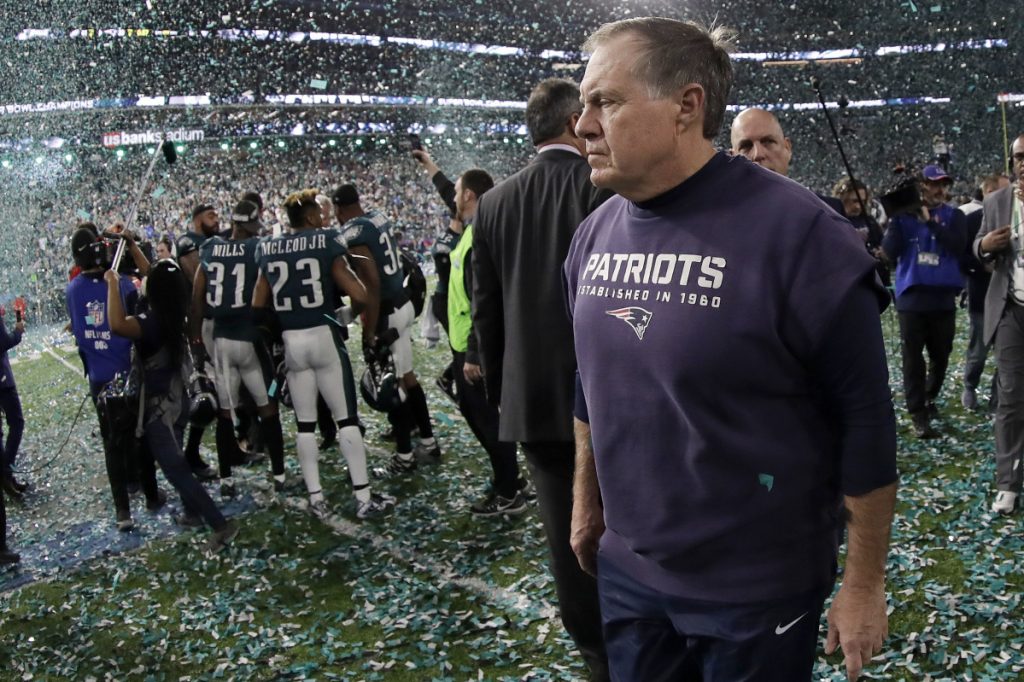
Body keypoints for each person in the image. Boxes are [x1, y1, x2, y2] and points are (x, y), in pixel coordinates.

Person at [566, 17, 897, 682]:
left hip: (756, 584)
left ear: (687, 106)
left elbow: (866, 419)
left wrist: (864, 583)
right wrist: (586, 496)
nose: (582, 124)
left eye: (606, 101)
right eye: (584, 103)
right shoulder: (592, 235)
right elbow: (590, 380)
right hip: (631, 571)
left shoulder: (804, 237)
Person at [471, 77, 613, 681]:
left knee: (568, 539)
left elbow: (486, 309)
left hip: (531, 403)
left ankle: (595, 655)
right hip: (604, 399)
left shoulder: (494, 202)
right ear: (571, 121)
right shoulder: (601, 186)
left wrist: (506, 393)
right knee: (624, 526)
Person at [253, 189, 394, 519]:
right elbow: (358, 292)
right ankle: (363, 498)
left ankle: (316, 499)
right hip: (323, 334)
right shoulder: (324, 241)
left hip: (292, 341)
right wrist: (345, 315)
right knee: (346, 419)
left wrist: (280, 332)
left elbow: (257, 305)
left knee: (304, 425)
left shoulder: (269, 248)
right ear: (311, 217)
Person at [105, 260, 238, 552]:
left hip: (161, 406)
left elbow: (116, 324)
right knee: (176, 456)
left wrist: (113, 283)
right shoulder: (174, 314)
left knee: (175, 469)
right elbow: (163, 275)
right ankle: (192, 514)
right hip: (178, 400)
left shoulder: (151, 322)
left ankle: (220, 525)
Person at [332, 184, 440, 474]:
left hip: (386, 313)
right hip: (402, 303)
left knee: (390, 384)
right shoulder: (377, 218)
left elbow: (371, 283)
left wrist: (367, 329)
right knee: (407, 377)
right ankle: (428, 440)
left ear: (338, 209)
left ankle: (405, 456)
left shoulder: (353, 235)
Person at [67, 225, 165, 530]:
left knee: (112, 444)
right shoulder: (122, 285)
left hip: (98, 376)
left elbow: (79, 332)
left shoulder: (72, 290)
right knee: (143, 435)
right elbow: (140, 320)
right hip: (128, 373)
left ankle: (122, 511)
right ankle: (151, 495)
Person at [446, 169, 529, 516]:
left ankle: (509, 490)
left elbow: (483, 298)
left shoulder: (478, 231)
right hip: (466, 341)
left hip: (471, 344)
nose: (452, 197)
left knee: (485, 418)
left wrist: (473, 352)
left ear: (468, 195)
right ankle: (512, 481)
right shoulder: (478, 227)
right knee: (484, 415)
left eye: (456, 191)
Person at [192, 200, 286, 496]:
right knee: (268, 405)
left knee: (225, 410)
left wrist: (195, 340)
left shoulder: (210, 248)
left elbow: (197, 298)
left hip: (221, 342)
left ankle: (226, 478)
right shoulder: (258, 247)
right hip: (250, 340)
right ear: (246, 224)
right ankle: (280, 474)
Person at [882, 164, 967, 438]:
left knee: (941, 356)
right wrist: (895, 218)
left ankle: (929, 396)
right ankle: (918, 412)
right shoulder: (904, 218)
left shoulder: (954, 216)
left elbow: (957, 246)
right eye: (934, 184)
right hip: (912, 298)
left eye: (944, 184)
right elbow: (890, 252)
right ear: (922, 187)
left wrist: (929, 221)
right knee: (912, 359)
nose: (940, 189)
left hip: (942, 298)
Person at [973, 134, 1024, 514]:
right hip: (1011, 309)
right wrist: (986, 244)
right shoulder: (997, 201)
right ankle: (1008, 483)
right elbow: (976, 247)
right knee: (1010, 395)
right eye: (1019, 156)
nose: (1023, 162)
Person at [730, 107, 846, 215]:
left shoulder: (828, 212)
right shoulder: (717, 219)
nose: (758, 154)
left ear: (787, 148)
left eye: (768, 142)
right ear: (732, 157)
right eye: (746, 146)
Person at [176, 203, 220, 480]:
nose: (216, 219)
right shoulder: (188, 242)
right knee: (205, 390)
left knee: (226, 389)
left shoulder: (217, 241)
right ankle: (189, 453)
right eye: (210, 215)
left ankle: (236, 446)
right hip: (201, 323)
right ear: (196, 220)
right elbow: (197, 280)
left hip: (221, 321)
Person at [959, 173, 1010, 411]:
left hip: (1010, 301)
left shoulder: (1014, 217)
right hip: (981, 297)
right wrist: (982, 260)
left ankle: (996, 399)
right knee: (978, 351)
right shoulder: (972, 219)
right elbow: (962, 256)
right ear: (989, 192)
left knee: (1007, 357)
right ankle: (970, 386)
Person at [0, 302, 26, 499]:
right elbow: (3, 342)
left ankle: (7, 477)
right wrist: (17, 332)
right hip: (2, 380)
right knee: (16, 422)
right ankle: (5, 472)